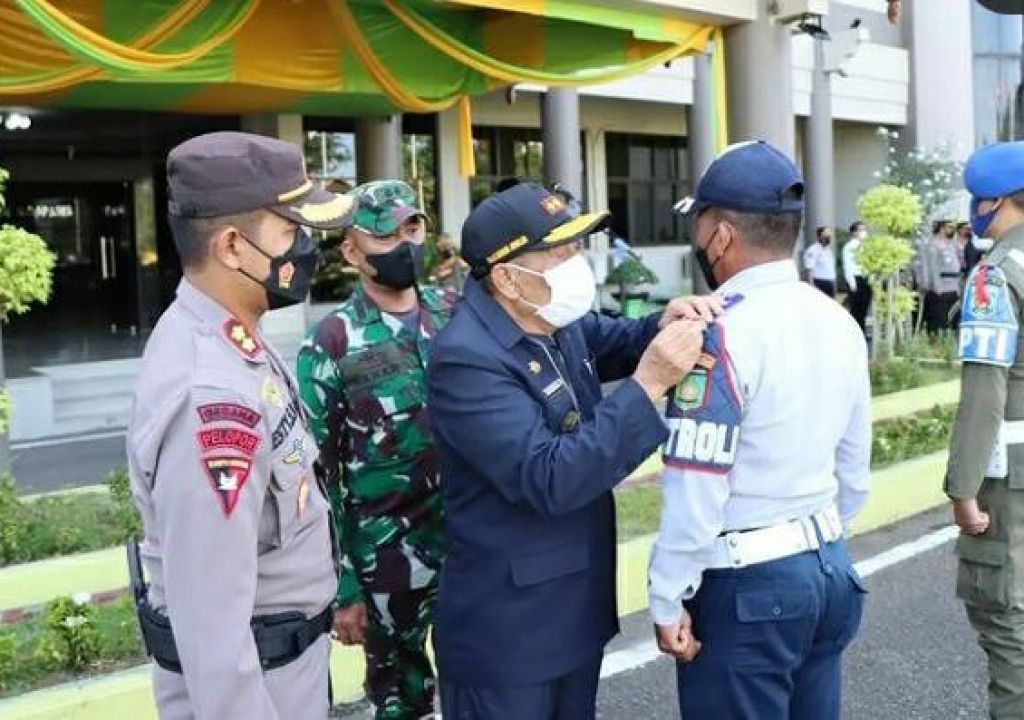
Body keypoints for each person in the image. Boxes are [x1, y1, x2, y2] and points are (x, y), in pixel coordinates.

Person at [427, 182, 713, 719]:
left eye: (576, 248)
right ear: (508, 278)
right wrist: (649, 385)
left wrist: (665, 322)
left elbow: (622, 338)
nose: (575, 264)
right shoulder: (466, 359)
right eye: (559, 254)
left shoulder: (553, 318)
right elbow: (549, 476)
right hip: (509, 636)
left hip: (571, 614)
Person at [126, 131, 353, 719]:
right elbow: (212, 638)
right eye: (289, 231)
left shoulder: (232, 339)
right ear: (231, 245)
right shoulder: (211, 398)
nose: (304, 248)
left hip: (286, 668)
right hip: (258, 690)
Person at [650, 140, 871, 720]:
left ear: (720, 236)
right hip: (827, 567)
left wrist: (667, 595)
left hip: (751, 589)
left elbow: (697, 483)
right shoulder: (837, 319)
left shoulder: (719, 334)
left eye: (700, 226)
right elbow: (854, 464)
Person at [296, 180, 454, 720]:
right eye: (385, 235)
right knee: (402, 702)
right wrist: (343, 586)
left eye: (413, 227)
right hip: (388, 561)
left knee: (484, 685)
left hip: (472, 545)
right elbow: (317, 477)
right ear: (351, 251)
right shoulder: (331, 344)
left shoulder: (457, 315)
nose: (405, 244)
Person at [945, 140, 1024, 719]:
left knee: (1010, 631)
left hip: (1012, 480)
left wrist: (963, 490)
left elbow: (984, 392)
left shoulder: (994, 277)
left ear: (995, 202)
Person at [923, 219, 962, 333]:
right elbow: (932, 267)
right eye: (949, 227)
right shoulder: (933, 244)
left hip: (953, 286)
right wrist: (936, 286)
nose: (951, 230)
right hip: (941, 287)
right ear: (941, 227)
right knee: (939, 320)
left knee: (951, 318)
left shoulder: (951, 244)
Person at [844, 220, 873, 335]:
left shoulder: (866, 247)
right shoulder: (849, 247)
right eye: (861, 230)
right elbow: (848, 267)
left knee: (864, 310)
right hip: (856, 280)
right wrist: (852, 284)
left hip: (866, 279)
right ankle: (856, 334)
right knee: (856, 311)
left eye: (865, 230)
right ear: (854, 232)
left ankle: (862, 332)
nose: (864, 232)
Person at [803, 225, 837, 297]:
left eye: (829, 234)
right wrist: (811, 286)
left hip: (829, 282)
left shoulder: (828, 250)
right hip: (819, 283)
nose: (828, 236)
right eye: (825, 234)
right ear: (819, 236)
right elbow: (809, 269)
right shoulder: (813, 250)